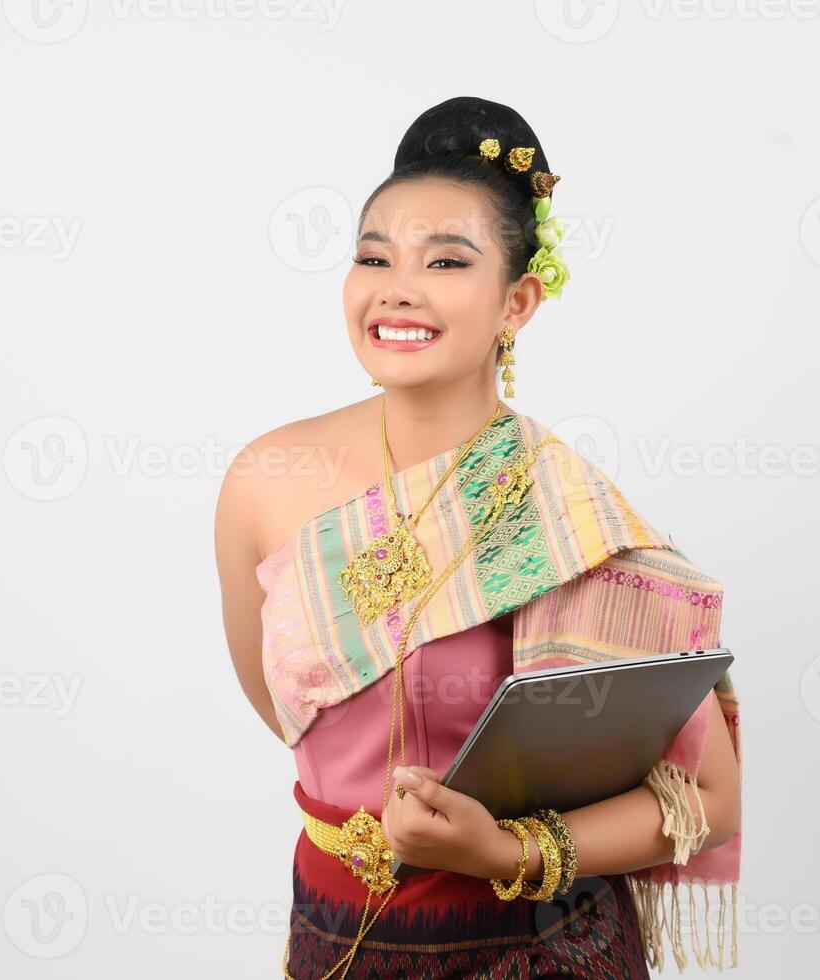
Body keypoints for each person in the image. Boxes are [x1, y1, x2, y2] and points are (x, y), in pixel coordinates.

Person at [215, 96, 743, 979]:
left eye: (447, 261)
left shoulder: (565, 512)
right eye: (372, 256)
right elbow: (289, 708)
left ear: (518, 301)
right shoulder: (266, 481)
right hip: (335, 933)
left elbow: (708, 797)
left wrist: (503, 853)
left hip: (536, 948)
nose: (397, 286)